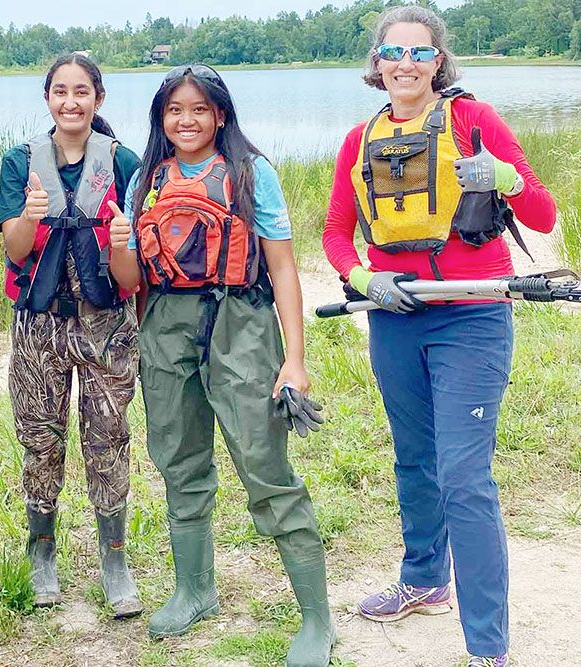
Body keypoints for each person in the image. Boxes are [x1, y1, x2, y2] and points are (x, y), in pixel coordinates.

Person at [321, 7, 557, 667]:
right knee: (413, 460)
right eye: (392, 52)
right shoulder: (356, 140)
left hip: (472, 316)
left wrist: (506, 179)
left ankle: (488, 647)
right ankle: (424, 580)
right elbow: (337, 232)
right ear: (377, 62)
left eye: (418, 53)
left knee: (464, 477)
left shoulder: (474, 123)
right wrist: (362, 275)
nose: (404, 64)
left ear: (437, 62)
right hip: (396, 318)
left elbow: (543, 212)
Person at [115, 64, 335, 666]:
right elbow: (133, 278)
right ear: (161, 119)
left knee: (263, 461)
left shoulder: (250, 173)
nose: (187, 121)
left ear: (221, 114)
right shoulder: (145, 178)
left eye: (200, 110)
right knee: (179, 459)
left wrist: (294, 358)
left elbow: (284, 267)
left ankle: (316, 618)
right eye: (174, 111)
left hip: (240, 323)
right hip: (164, 326)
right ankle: (194, 589)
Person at [0, 53, 143, 617]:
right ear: (48, 97)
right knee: (40, 437)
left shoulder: (124, 162)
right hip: (39, 322)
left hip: (106, 322)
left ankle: (114, 559)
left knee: (108, 437)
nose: (70, 101)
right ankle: (43, 552)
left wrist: (125, 241)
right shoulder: (20, 161)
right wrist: (29, 214)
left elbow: (131, 279)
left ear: (98, 99)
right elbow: (13, 250)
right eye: (60, 91)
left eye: (82, 91)